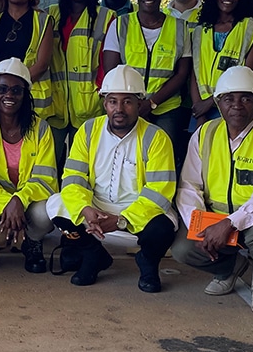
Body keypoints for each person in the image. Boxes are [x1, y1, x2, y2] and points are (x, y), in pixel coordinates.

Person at [174, 66, 253, 315]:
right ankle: (228, 268)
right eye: (229, 98)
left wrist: (230, 224)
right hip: (214, 215)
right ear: (218, 102)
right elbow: (189, 185)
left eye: (246, 98)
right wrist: (198, 224)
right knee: (182, 249)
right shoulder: (205, 133)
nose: (237, 105)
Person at [47, 65, 177, 292]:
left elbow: (159, 193)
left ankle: (148, 263)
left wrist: (121, 219)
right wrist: (85, 209)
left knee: (164, 227)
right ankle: (93, 256)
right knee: (56, 205)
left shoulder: (156, 137)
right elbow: (73, 178)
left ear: (139, 103)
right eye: (112, 101)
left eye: (127, 101)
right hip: (96, 209)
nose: (119, 108)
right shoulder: (88, 130)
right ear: (104, 103)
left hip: (138, 212)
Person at [0, 58, 57, 272]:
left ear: (25, 95)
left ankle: (31, 243)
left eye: (17, 90)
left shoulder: (40, 128)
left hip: (29, 196)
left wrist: (19, 199)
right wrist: (9, 202)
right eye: (2, 89)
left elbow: (46, 178)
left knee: (46, 213)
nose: (9, 95)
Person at [103, 0, 192, 169]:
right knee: (127, 160)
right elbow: (111, 71)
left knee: (163, 161)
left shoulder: (180, 28)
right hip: (128, 106)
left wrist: (152, 103)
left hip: (166, 108)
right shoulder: (120, 25)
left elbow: (182, 74)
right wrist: (131, 103)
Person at [50, 0, 113, 151]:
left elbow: (108, 63)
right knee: (50, 164)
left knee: (85, 164)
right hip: (56, 106)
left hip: (91, 106)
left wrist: (99, 94)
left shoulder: (106, 17)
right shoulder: (51, 15)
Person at [190, 0, 253, 128]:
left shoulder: (250, 28)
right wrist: (199, 110)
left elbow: (247, 74)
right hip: (201, 108)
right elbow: (194, 73)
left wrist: (210, 102)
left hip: (234, 108)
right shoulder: (200, 30)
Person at [0, 0, 57, 134]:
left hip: (33, 103)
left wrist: (13, 90)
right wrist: (3, 93)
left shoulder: (44, 21)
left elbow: (42, 64)